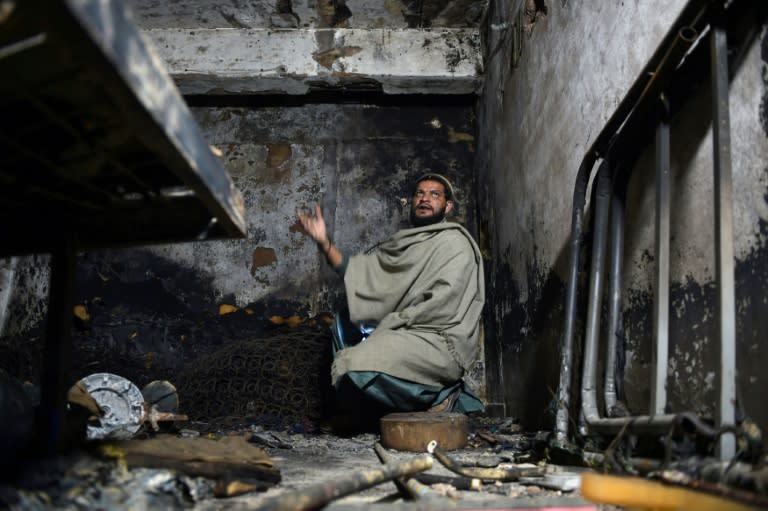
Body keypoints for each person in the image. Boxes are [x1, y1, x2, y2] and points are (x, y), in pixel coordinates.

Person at [297, 173, 485, 425]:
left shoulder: (455, 243)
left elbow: (443, 305)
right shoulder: (404, 243)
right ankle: (372, 413)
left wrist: (393, 322)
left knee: (355, 363)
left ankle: (442, 395)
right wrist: (323, 242)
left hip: (437, 339)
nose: (425, 199)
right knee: (342, 325)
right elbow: (361, 274)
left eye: (434, 194)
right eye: (420, 193)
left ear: (447, 206)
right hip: (405, 332)